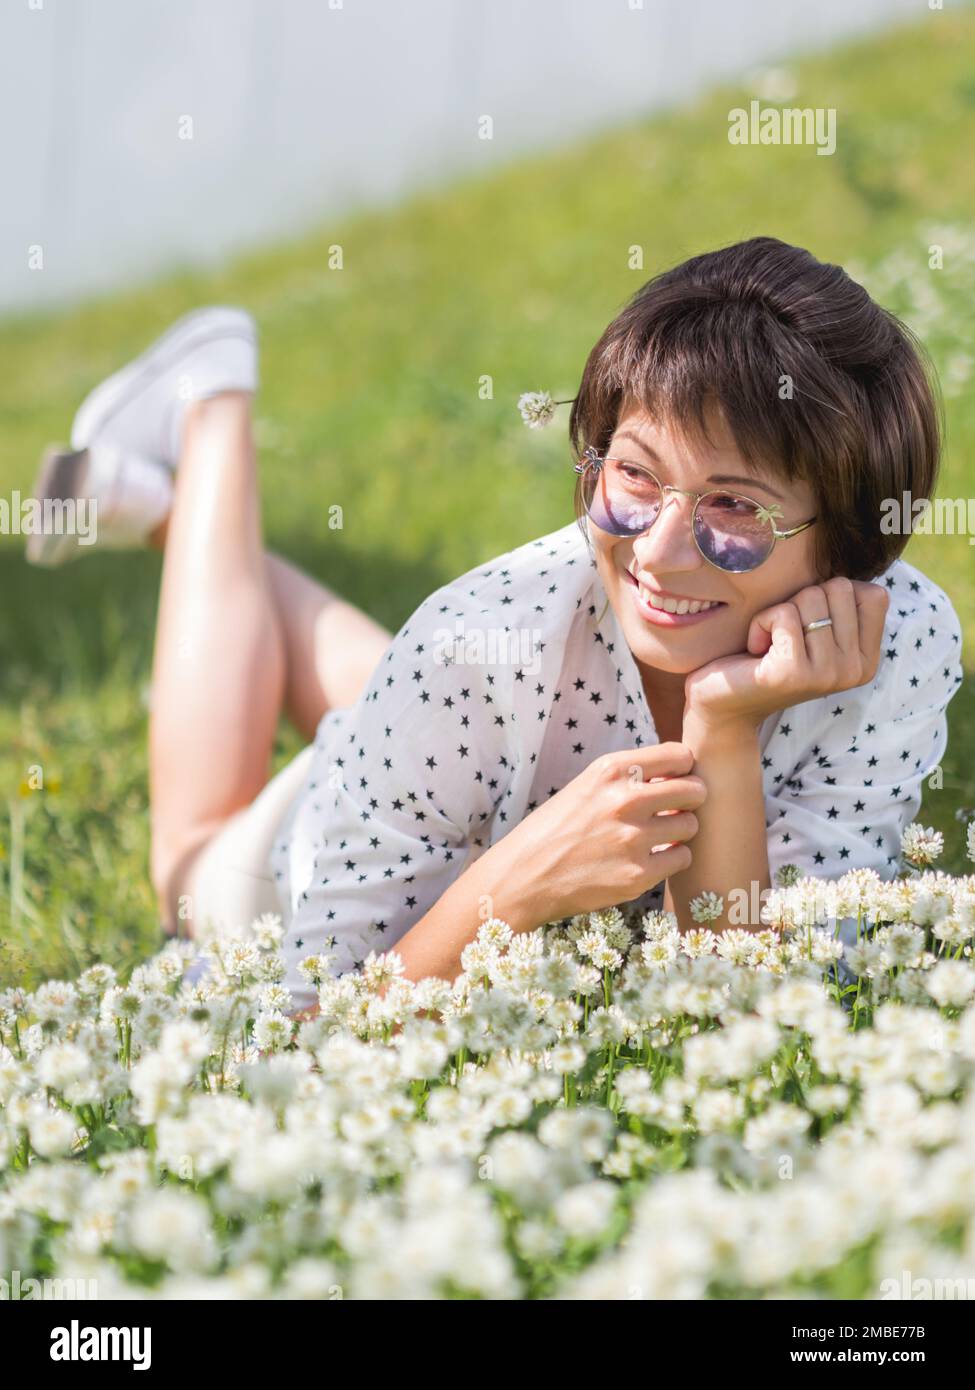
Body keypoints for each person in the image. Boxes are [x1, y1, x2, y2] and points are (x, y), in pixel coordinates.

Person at [28, 239, 964, 1017]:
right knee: (189, 861)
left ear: (847, 546)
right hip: (331, 841)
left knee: (445, 679)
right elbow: (312, 1032)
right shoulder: (474, 641)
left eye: (733, 507)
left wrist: (719, 728)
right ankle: (211, 406)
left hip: (464, 714)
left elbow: (764, 1013)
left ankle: (162, 509)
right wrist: (514, 886)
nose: (661, 552)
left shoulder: (900, 641)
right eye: (633, 476)